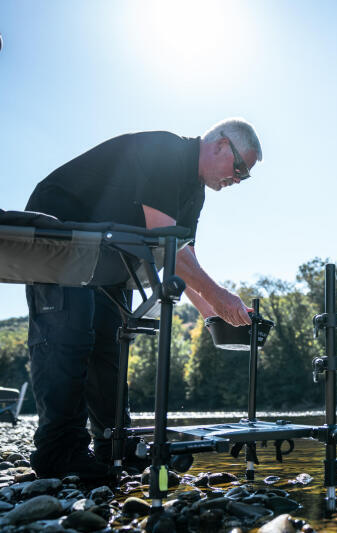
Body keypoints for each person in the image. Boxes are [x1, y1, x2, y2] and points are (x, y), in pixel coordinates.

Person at [24, 118, 261, 479]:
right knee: (68, 335)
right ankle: (58, 451)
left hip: (109, 248)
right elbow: (166, 245)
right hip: (61, 225)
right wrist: (219, 296)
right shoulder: (167, 150)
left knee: (110, 344)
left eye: (246, 177)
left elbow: (182, 258)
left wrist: (214, 314)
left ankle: (112, 445)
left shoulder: (194, 193)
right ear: (220, 145)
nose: (238, 180)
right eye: (239, 168)